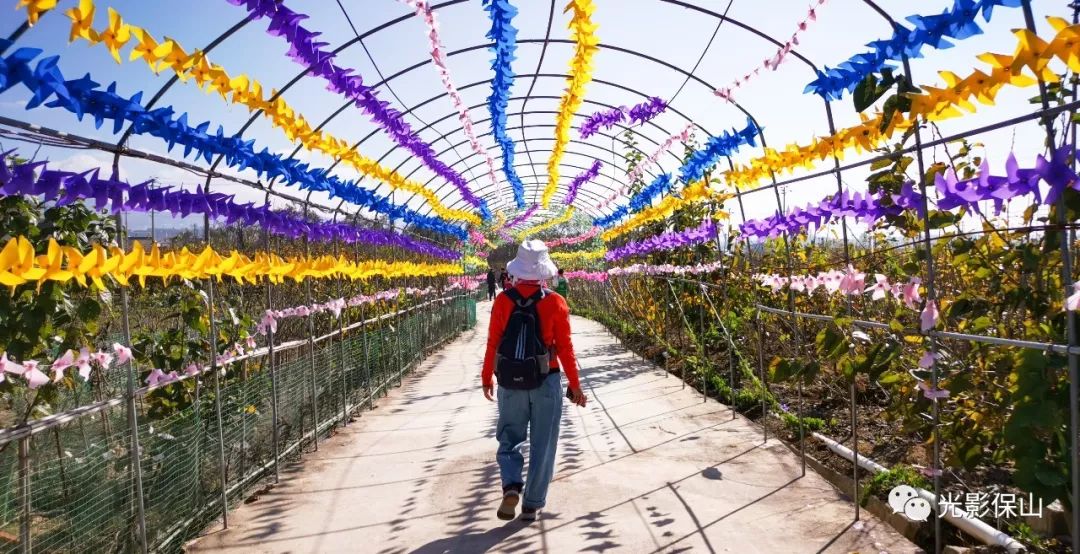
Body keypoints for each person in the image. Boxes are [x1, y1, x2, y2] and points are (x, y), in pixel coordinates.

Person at [482, 240, 587, 522]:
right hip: (546, 381)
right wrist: (575, 385)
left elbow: (493, 341)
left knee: (509, 439)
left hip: (510, 383)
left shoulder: (504, 300)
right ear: (544, 271)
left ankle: (511, 486)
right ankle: (531, 504)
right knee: (544, 444)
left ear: (517, 270)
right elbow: (565, 348)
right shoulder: (555, 302)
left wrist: (486, 377)